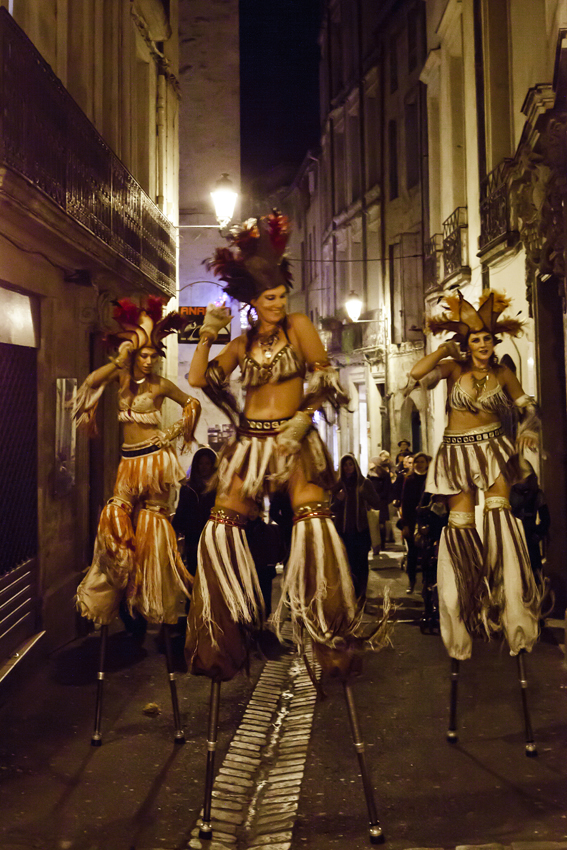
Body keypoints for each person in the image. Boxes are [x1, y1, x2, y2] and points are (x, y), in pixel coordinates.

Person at [184, 212, 390, 682]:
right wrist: (209, 332)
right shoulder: (241, 342)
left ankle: (331, 633)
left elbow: (323, 376)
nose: (278, 304)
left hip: (296, 444)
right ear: (252, 302)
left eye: (281, 296)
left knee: (315, 526)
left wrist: (302, 420)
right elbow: (199, 379)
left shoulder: (299, 325)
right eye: (269, 298)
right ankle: (220, 640)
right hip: (251, 446)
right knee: (219, 528)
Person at [407, 289, 541, 661]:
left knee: (500, 517)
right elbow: (415, 373)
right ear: (467, 344)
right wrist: (443, 351)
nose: (482, 344)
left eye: (486, 338)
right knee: (460, 527)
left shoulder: (502, 373)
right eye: (475, 339)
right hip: (456, 453)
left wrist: (529, 426)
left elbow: (530, 408)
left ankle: (511, 608)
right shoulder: (454, 369)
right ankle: (463, 611)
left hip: (495, 449)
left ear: (494, 342)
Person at [73, 296, 201, 627]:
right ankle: (112, 588)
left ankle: (153, 595)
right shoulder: (121, 379)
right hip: (128, 465)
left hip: (155, 462)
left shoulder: (160, 385)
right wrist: (121, 358)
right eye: (142, 355)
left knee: (154, 527)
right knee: (114, 518)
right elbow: (91, 382)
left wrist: (172, 432)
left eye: (152, 355)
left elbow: (192, 404)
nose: (147, 361)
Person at [331, 454, 381, 600]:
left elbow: (377, 503)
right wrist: (338, 500)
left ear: (355, 466)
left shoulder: (364, 483)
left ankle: (361, 593)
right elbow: (331, 509)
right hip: (343, 531)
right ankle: (350, 592)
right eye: (345, 465)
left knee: (361, 564)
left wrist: (365, 494)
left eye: (350, 464)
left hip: (361, 531)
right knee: (346, 564)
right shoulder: (337, 485)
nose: (348, 468)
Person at [172, 446, 217, 577]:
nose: (203, 467)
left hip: (212, 535)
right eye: (201, 463)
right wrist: (177, 529)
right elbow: (181, 510)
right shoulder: (188, 488)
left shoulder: (218, 488)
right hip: (193, 536)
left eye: (207, 463)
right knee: (194, 569)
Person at [510, 461, 550, 583]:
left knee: (535, 574)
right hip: (514, 535)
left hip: (530, 537)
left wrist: (537, 534)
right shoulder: (509, 492)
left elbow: (546, 519)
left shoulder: (537, 493)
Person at [399, 452, 432, 593]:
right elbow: (405, 503)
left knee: (428, 554)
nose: (419, 464)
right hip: (412, 520)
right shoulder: (409, 479)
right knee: (412, 553)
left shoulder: (431, 479)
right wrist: (405, 524)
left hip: (427, 520)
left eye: (422, 461)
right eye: (416, 462)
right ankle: (411, 581)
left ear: (427, 463)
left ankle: (427, 582)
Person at [367, 453, 392, 554]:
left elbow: (387, 490)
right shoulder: (369, 475)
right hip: (372, 503)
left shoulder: (384, 475)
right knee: (372, 524)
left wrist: (380, 498)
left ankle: (382, 544)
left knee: (381, 524)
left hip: (381, 502)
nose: (369, 464)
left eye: (371, 462)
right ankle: (374, 544)